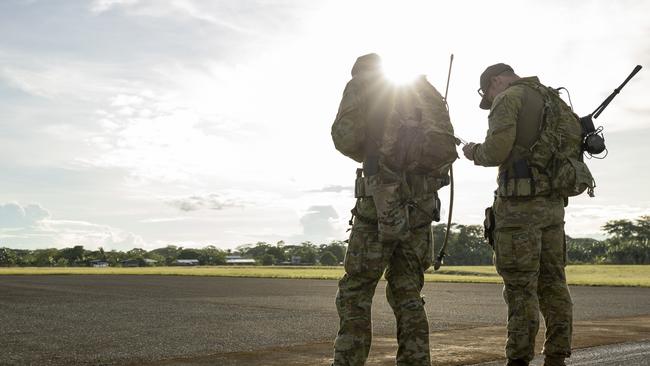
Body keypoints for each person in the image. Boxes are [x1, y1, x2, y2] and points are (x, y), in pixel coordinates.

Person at [330, 53, 457, 366]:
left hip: (380, 204)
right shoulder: (426, 91)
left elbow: (344, 137)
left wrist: (373, 154)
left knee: (356, 291)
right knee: (408, 293)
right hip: (421, 208)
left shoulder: (362, 83)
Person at [462, 63, 579, 366]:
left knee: (520, 288)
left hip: (519, 209)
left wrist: (474, 151)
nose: (491, 97)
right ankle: (557, 356)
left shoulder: (509, 97)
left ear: (496, 80)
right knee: (554, 283)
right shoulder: (554, 99)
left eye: (489, 92)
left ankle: (519, 359)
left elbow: (496, 150)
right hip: (553, 207)